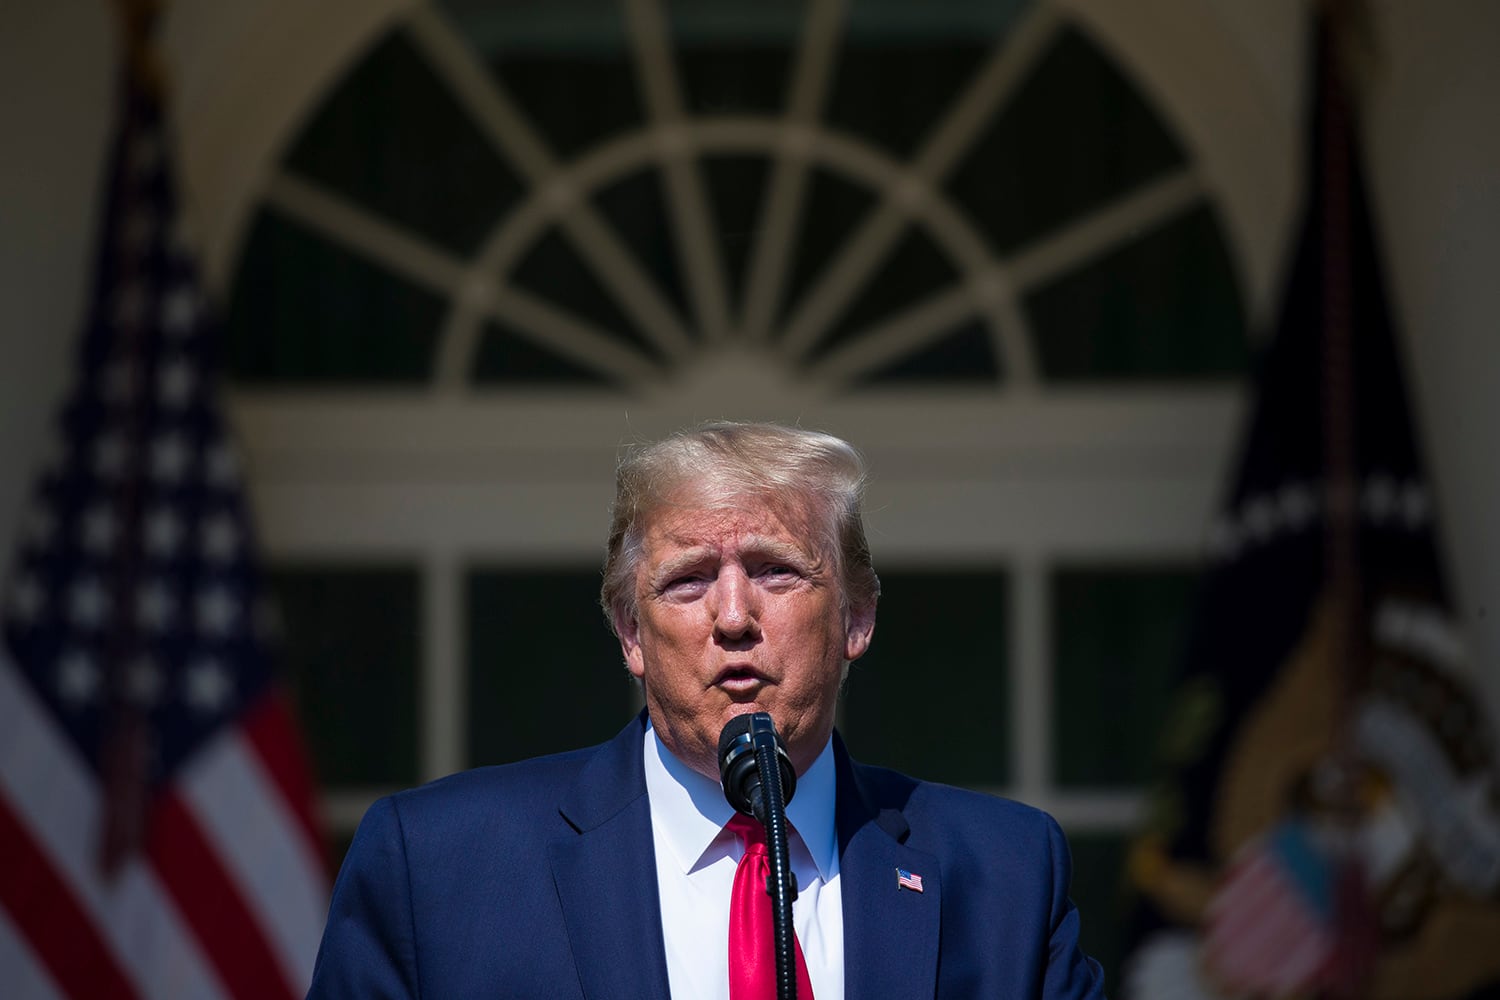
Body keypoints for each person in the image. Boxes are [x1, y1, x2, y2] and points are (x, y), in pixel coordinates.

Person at [306, 421, 1107, 998]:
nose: (732, 616)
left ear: (857, 617)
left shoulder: (1004, 874)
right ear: (630, 633)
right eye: (688, 580)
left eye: (777, 571)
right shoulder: (439, 868)